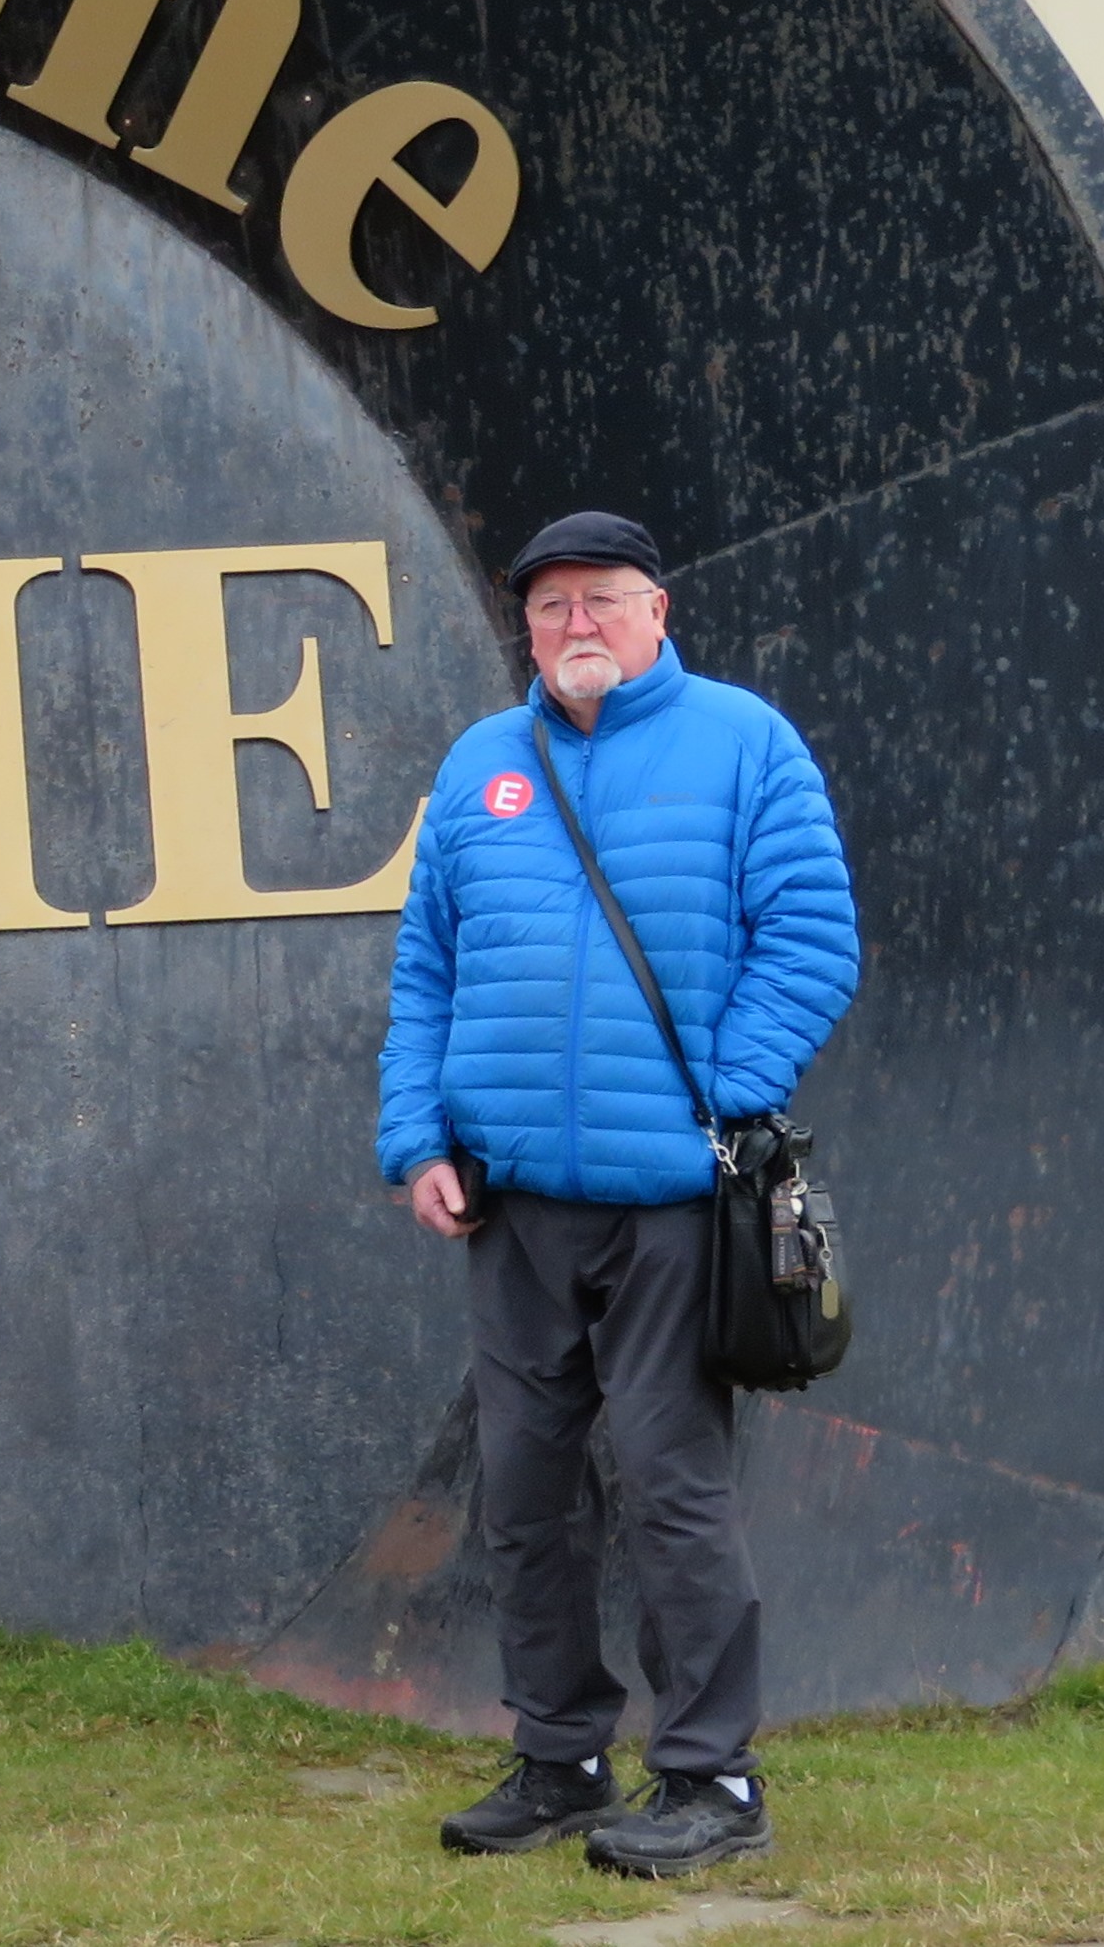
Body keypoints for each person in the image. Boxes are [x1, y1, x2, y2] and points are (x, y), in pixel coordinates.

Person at [374, 511, 859, 1879]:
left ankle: (712, 1780)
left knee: (669, 1490)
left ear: (657, 611)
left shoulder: (744, 743)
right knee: (526, 1495)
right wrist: (418, 1140)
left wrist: (719, 1099)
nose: (575, 624)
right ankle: (561, 1760)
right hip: (514, 1206)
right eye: (550, 607)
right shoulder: (482, 763)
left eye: (601, 599)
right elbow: (426, 969)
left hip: (671, 1208)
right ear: (526, 627)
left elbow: (814, 940)